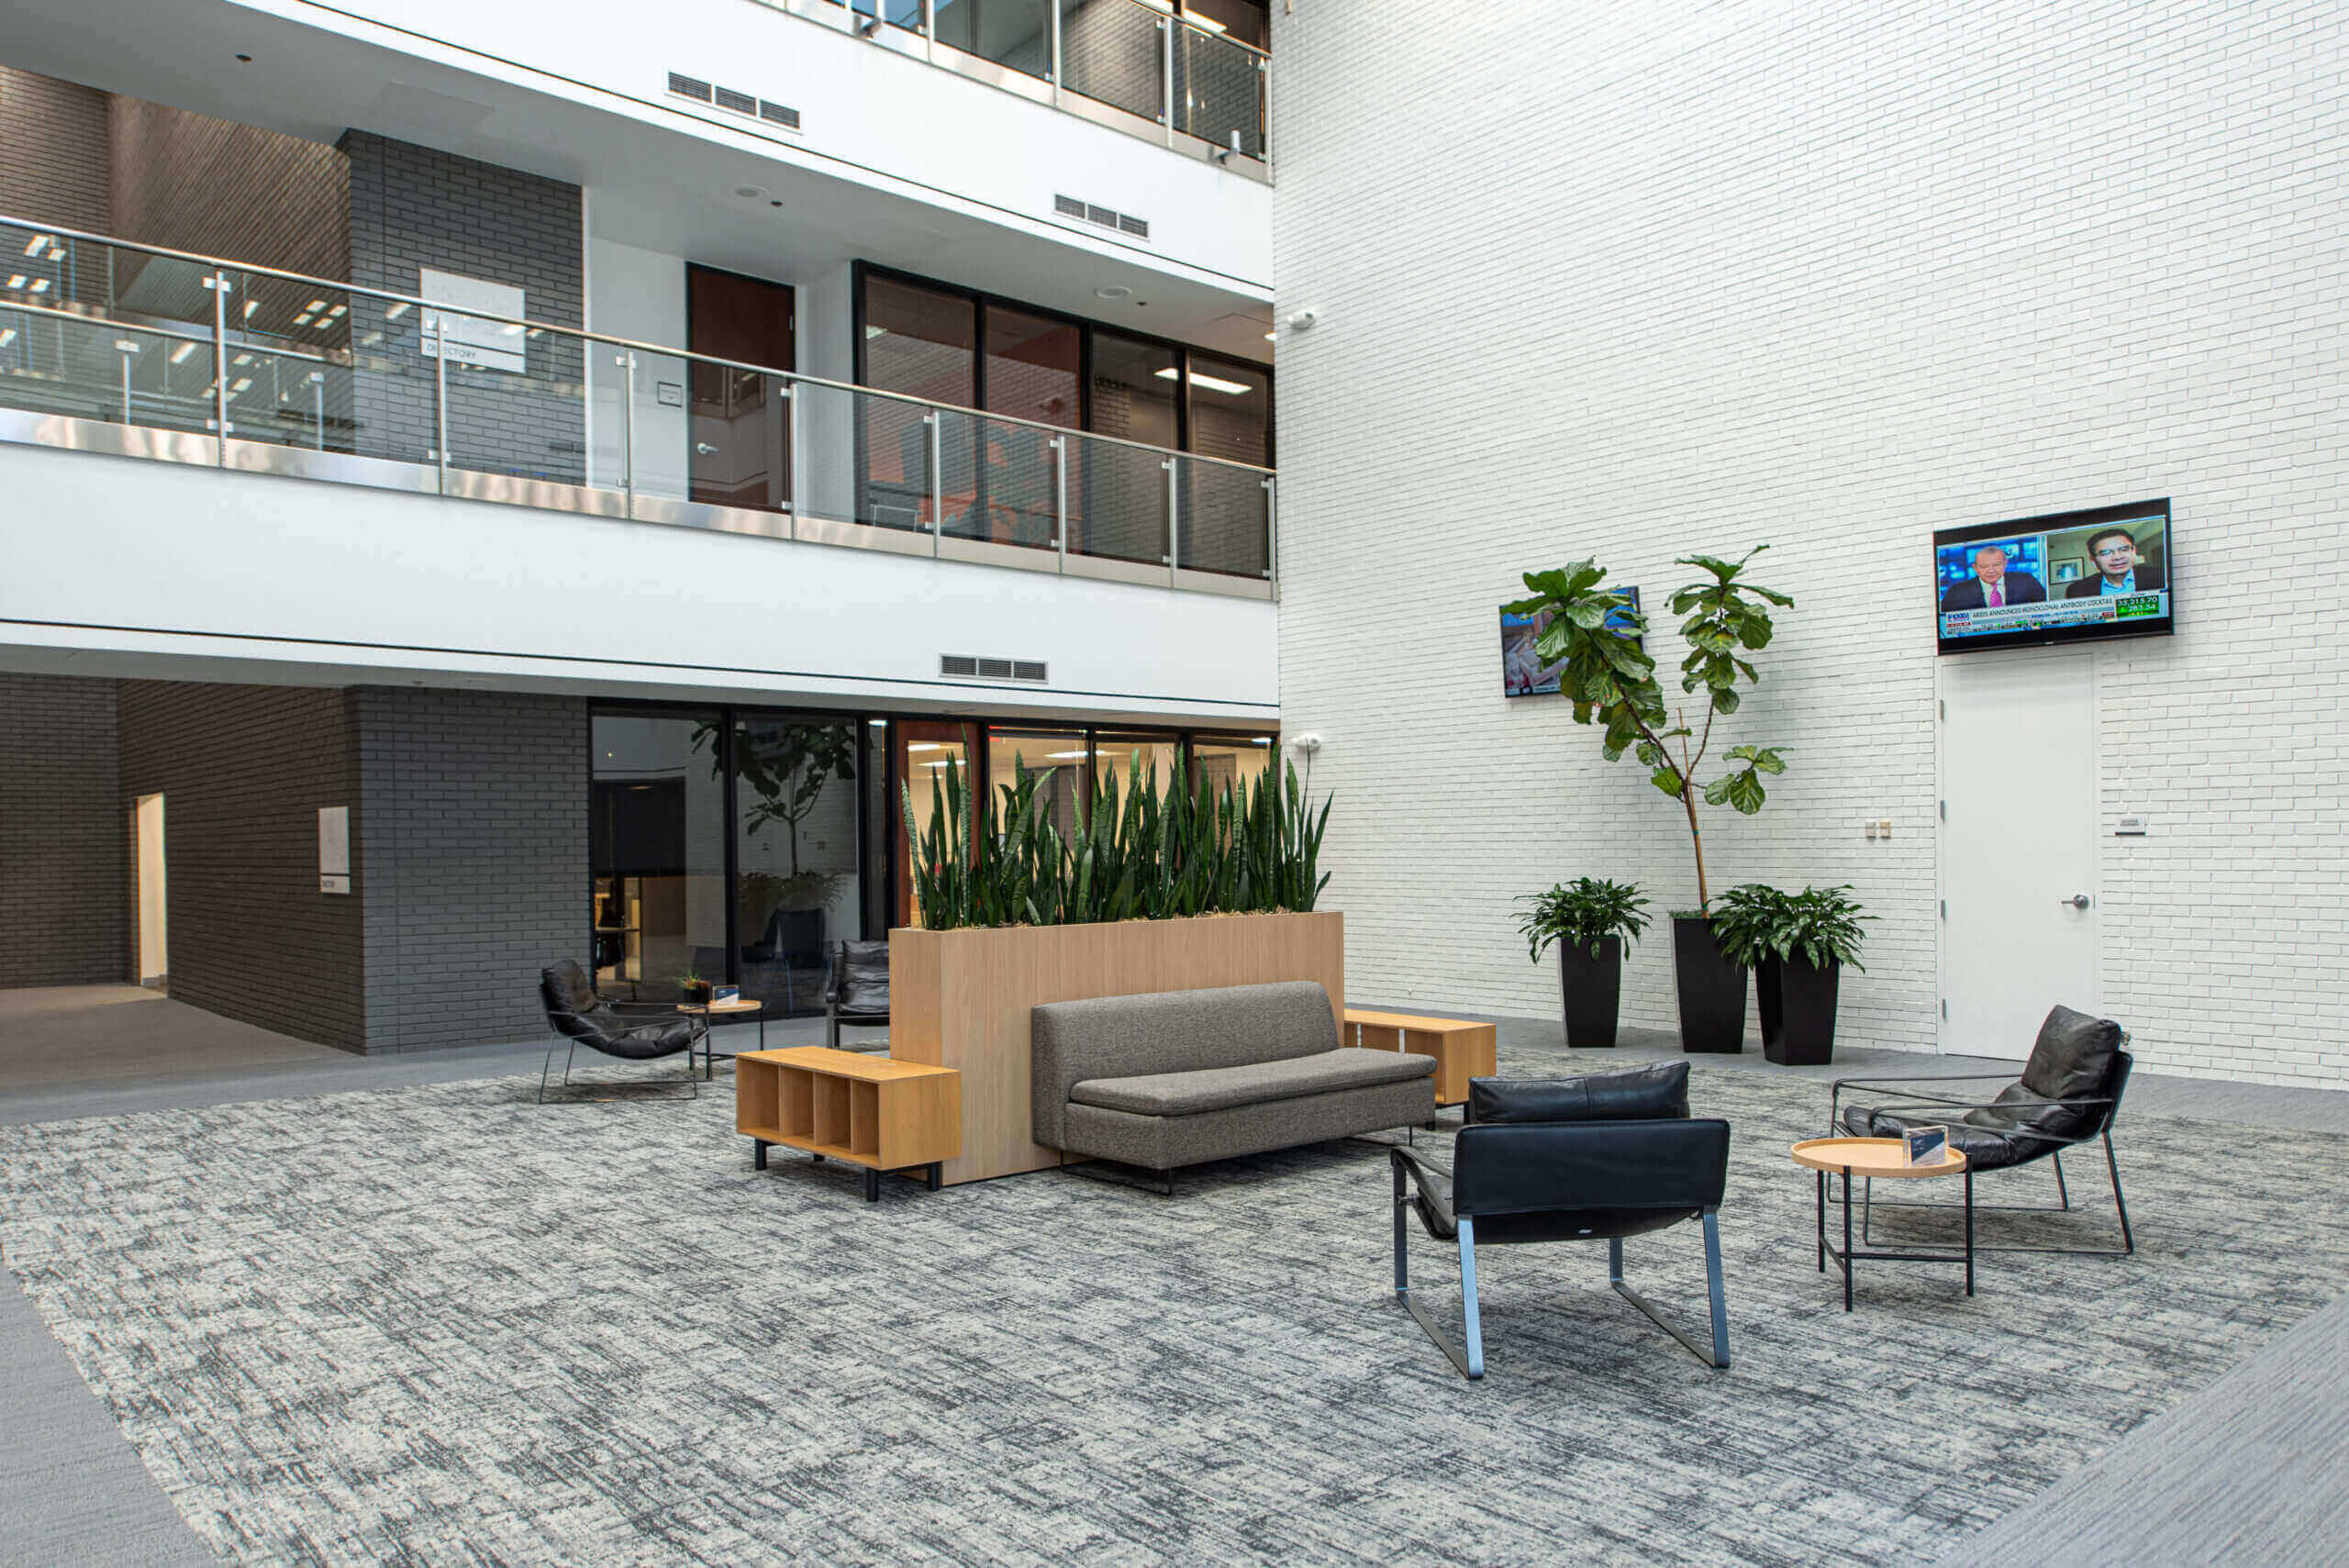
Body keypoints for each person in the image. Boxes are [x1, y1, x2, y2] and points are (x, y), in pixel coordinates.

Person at [1939, 543, 2046, 612]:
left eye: (1996, 565)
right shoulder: (1957, 591)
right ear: (1975, 568)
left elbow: (2044, 609)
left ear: (2005, 564)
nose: (1991, 570)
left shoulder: (2026, 580)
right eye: (1984, 566)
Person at [2064, 527, 2165, 597]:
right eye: (2106, 553)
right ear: (2093, 560)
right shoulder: (2077, 591)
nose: (2117, 557)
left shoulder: (2161, 577)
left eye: (2124, 549)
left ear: (2133, 551)